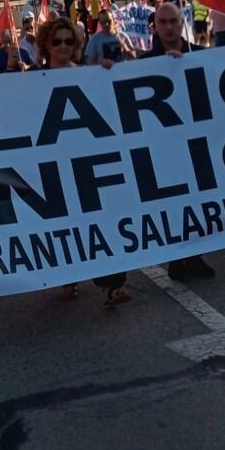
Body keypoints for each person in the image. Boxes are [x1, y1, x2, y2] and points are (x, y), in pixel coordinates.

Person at [32, 18, 132, 308]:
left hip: (87, 164)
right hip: (52, 166)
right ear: (46, 45)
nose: (63, 47)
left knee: (100, 223)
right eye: (57, 41)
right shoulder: (31, 79)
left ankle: (113, 286)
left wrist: (108, 77)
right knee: (64, 225)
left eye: (69, 41)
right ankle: (70, 276)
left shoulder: (90, 75)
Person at [141, 2, 215, 282]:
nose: (169, 27)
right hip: (164, 146)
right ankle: (175, 258)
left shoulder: (201, 55)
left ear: (181, 23)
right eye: (163, 22)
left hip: (197, 141)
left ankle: (195, 257)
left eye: (173, 21)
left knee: (198, 200)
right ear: (156, 27)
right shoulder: (143, 62)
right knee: (172, 202)